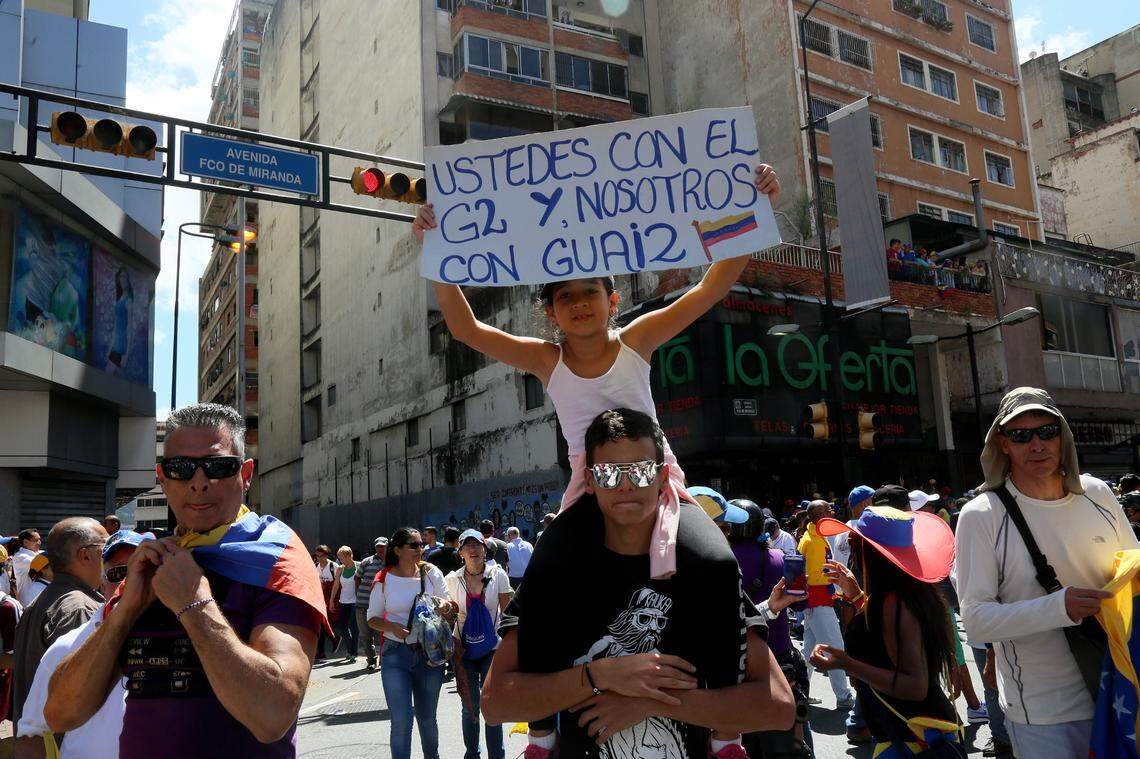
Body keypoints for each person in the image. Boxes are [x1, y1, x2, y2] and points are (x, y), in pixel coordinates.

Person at [413, 165, 781, 581]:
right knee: (548, 579)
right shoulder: (546, 360)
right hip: (589, 491)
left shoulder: (637, 339)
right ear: (551, 312)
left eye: (590, 291)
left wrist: (757, 211)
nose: (579, 302)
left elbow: (708, 289)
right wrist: (434, 249)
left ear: (613, 299)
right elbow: (466, 329)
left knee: (716, 564)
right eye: (565, 295)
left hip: (659, 484)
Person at [481, 408, 795, 759]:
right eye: (610, 473)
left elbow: (778, 707)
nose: (626, 485)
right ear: (590, 480)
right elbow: (495, 704)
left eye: (641, 471)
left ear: (663, 477)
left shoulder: (704, 573)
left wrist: (654, 702)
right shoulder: (558, 572)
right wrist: (598, 676)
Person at [45, 402, 328, 759]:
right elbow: (59, 712)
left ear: (246, 474)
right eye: (181, 468)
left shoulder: (275, 556)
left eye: (218, 466)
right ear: (162, 478)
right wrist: (124, 611)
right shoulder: (152, 562)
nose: (198, 483)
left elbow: (272, 715)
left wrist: (193, 604)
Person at [955, 388, 1138, 756]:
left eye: (1046, 432)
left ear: (1063, 435)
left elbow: (1132, 567)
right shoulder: (982, 515)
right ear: (1003, 444)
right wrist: (1059, 608)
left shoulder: (1098, 494)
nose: (1036, 444)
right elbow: (975, 621)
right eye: (1021, 435)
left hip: (1122, 688)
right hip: (1044, 713)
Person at [809, 492, 964, 757]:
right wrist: (857, 595)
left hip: (909, 740)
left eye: (855, 542)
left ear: (871, 553)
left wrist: (844, 663)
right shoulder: (911, 594)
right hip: (916, 732)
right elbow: (887, 637)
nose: (850, 546)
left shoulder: (896, 603)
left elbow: (914, 686)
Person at [17, 530, 144, 759]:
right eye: (119, 572)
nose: (131, 582)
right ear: (103, 583)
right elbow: (32, 734)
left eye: (144, 570)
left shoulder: (185, 640)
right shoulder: (67, 646)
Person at [729, 499, 812, 758]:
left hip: (740, 665)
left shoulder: (719, 562)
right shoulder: (781, 558)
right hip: (783, 658)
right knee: (796, 731)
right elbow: (801, 605)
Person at [367, 527, 456, 759]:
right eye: (414, 545)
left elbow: (449, 606)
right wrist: (392, 628)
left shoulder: (431, 573)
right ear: (397, 550)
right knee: (401, 721)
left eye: (421, 544)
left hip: (429, 655)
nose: (421, 549)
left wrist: (445, 606)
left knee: (427, 719)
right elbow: (372, 619)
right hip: (395, 655)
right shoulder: (384, 579)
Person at [12, 517, 107, 735]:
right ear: (85, 555)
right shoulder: (80, 608)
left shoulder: (41, 602)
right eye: (106, 547)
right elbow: (81, 693)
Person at [444, 529, 512, 759]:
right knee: (470, 706)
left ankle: (497, 756)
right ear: (460, 552)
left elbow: (509, 613)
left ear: (485, 549)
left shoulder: (498, 574)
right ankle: (472, 754)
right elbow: (448, 615)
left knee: (492, 704)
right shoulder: (452, 580)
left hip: (493, 648)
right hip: (463, 651)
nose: (472, 550)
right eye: (467, 546)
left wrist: (513, 649)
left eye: (477, 545)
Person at [798, 500, 854, 708]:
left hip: (814, 602)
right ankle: (843, 696)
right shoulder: (813, 541)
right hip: (819, 600)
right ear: (818, 515)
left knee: (809, 652)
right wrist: (835, 576)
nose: (831, 512)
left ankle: (799, 692)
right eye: (827, 510)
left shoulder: (813, 536)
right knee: (835, 647)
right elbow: (813, 576)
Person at [355, 537, 388, 669]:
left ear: (387, 547)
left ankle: (384, 660)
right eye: (378, 546)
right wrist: (359, 592)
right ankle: (371, 660)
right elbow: (357, 577)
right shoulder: (366, 561)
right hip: (363, 603)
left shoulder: (392, 562)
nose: (380, 549)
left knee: (383, 633)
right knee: (365, 634)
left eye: (383, 546)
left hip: (383, 604)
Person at [328, 546, 359, 663]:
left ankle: (353, 652)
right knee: (342, 626)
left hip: (355, 601)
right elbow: (336, 585)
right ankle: (350, 650)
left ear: (348, 556)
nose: (339, 560)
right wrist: (331, 600)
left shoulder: (359, 566)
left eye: (341, 557)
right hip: (343, 601)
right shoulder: (340, 569)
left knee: (353, 626)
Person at [314, 544, 337, 660]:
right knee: (320, 624)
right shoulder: (315, 566)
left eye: (321, 556)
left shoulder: (334, 566)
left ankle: (332, 641)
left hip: (330, 599)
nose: (318, 558)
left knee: (323, 624)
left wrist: (332, 601)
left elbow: (338, 584)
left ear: (326, 555)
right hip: (319, 599)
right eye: (316, 556)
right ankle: (326, 647)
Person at [11, 529, 41, 597]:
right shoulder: (20, 557)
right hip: (27, 600)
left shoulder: (39, 553)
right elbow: (43, 564)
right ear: (25, 542)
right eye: (36, 540)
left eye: (39, 539)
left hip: (39, 597)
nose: (39, 542)